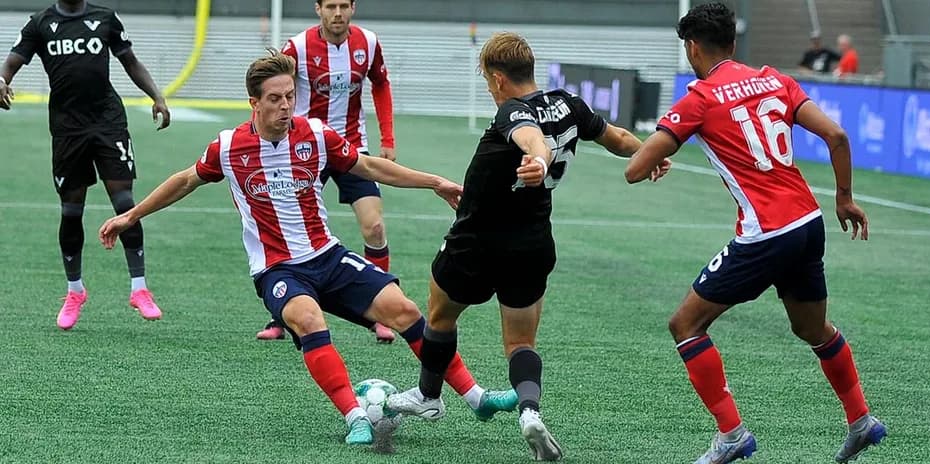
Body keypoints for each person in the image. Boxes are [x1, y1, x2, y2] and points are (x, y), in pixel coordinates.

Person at [98, 50, 517, 445]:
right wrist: (131, 215)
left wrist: (434, 182)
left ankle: (476, 398)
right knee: (309, 318)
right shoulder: (228, 147)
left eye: (290, 97)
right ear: (254, 103)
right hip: (277, 270)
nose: (286, 106)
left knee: (404, 310)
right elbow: (185, 179)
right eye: (276, 99)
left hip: (327, 256)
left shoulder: (315, 135)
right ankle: (355, 417)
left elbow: (368, 166)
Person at [386, 32, 670, 461]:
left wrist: (536, 159)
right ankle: (530, 412)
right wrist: (651, 153)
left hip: (476, 241)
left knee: (440, 313)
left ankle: (429, 395)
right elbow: (616, 137)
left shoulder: (511, 112)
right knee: (521, 342)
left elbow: (530, 137)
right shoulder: (570, 104)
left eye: (486, 80)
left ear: (498, 78)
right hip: (532, 242)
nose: (488, 88)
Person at [623, 4, 886, 463]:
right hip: (808, 223)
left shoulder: (699, 98)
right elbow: (838, 137)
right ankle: (860, 419)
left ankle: (731, 435)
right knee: (812, 328)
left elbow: (634, 170)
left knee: (685, 325)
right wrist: (843, 198)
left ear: (692, 47)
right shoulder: (775, 79)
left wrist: (656, 153)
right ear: (733, 41)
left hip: (765, 233)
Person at [0, 0, 171, 330]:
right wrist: (1, 81)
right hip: (68, 129)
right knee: (71, 210)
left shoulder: (105, 17)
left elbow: (130, 62)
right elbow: (9, 66)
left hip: (108, 122)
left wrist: (157, 96)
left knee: (124, 203)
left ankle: (139, 288)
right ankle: (74, 291)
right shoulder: (40, 23)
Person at [254, 0, 397, 343]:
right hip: (305, 149)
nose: (337, 13)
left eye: (343, 6)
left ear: (353, 8)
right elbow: (273, 87)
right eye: (330, 6)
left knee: (374, 226)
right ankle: (280, 315)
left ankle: (381, 312)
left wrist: (387, 137)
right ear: (317, 9)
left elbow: (381, 84)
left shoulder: (369, 43)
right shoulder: (298, 47)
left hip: (351, 147)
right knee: (288, 234)